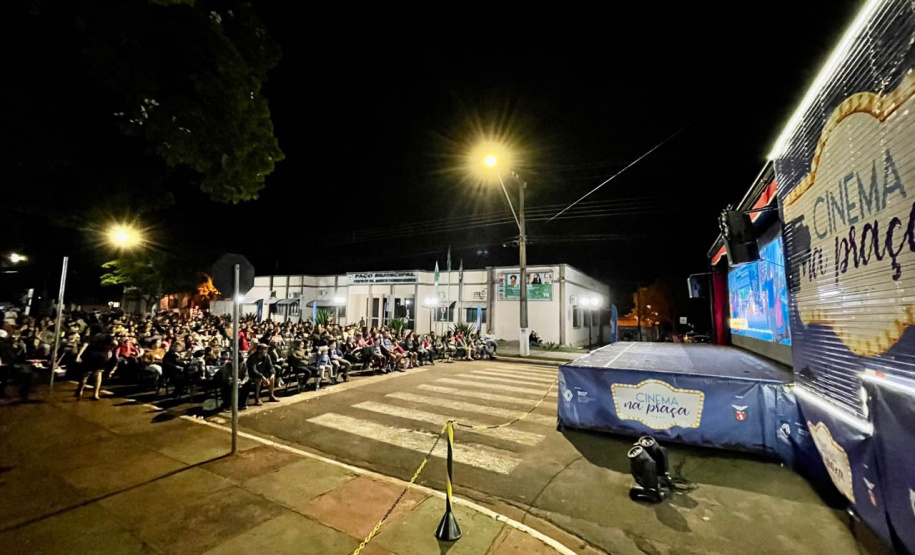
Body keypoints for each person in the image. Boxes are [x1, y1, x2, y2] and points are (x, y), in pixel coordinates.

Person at [75, 333, 117, 400]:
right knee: (99, 373)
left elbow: (84, 346)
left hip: (90, 355)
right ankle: (95, 394)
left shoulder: (90, 337)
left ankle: (80, 390)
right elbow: (115, 343)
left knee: (86, 374)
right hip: (103, 355)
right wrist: (110, 350)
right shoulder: (107, 336)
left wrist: (78, 355)